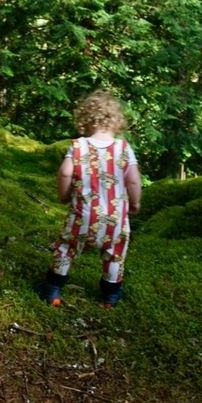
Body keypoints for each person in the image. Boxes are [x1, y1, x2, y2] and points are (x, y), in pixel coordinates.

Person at [38, 90, 141, 309]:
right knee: (114, 255)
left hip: (82, 216)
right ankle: (110, 297)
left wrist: (64, 195)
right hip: (115, 221)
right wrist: (135, 202)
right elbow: (133, 180)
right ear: (117, 121)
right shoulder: (123, 148)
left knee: (66, 248)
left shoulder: (78, 146)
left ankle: (53, 290)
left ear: (85, 120)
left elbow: (65, 173)